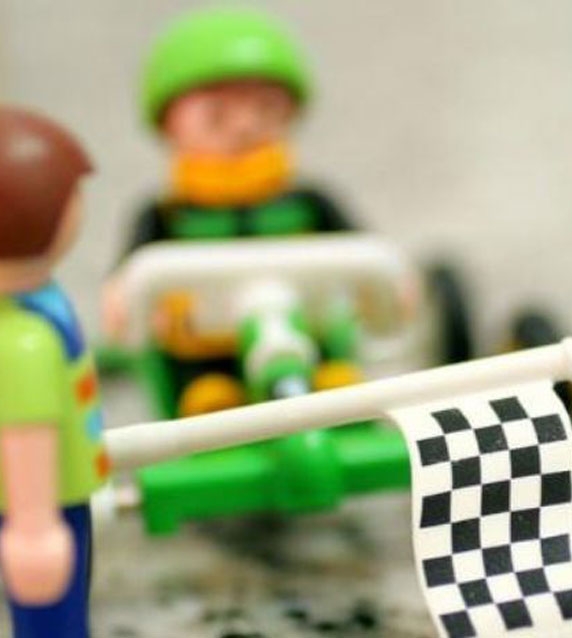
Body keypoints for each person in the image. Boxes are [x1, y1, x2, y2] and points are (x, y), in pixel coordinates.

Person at [103, 7, 359, 416]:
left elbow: (363, 253)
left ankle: (335, 388)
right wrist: (123, 298)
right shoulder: (166, 214)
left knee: (338, 374)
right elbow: (128, 279)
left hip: (308, 333)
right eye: (216, 115)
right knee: (205, 395)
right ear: (169, 124)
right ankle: (207, 396)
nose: (244, 126)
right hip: (204, 350)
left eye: (265, 109)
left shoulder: (309, 202)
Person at [0, 107, 107, 638]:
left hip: (62, 492)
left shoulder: (37, 301)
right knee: (52, 620)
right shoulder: (23, 341)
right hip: (45, 502)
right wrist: (33, 529)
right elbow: (26, 433)